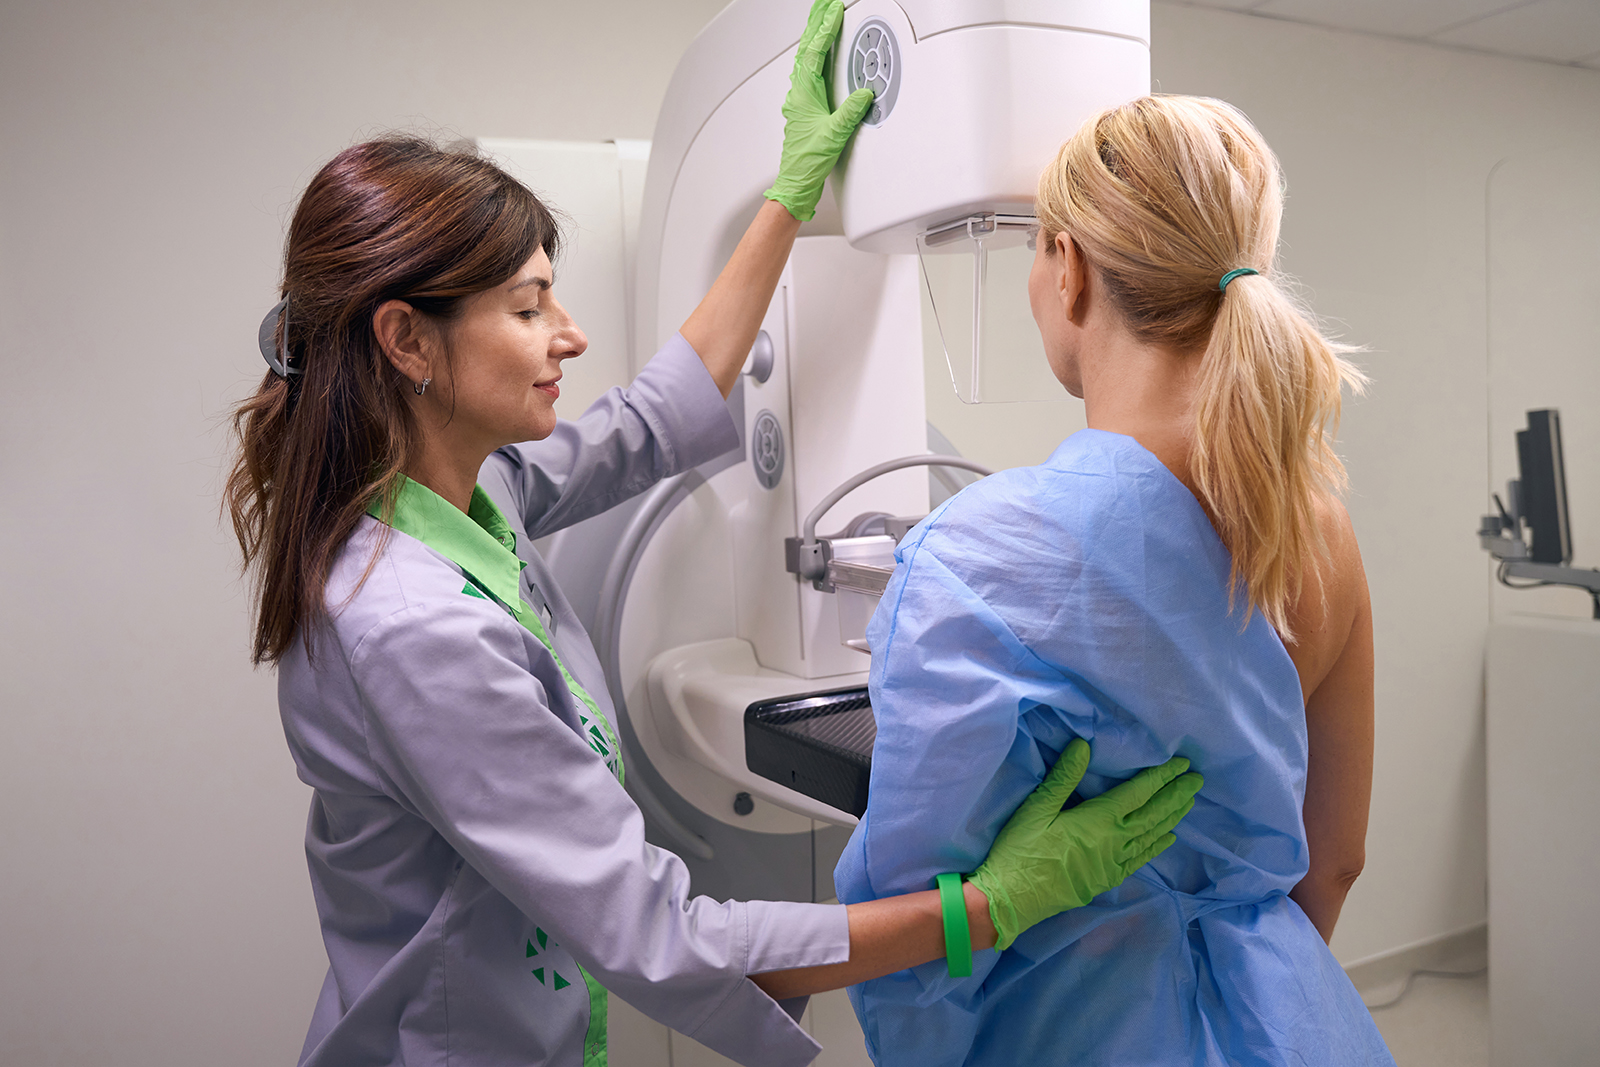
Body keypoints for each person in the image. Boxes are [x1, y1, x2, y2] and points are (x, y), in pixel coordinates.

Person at [224, 5, 1204, 1066]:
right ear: (407, 339)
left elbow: (649, 417)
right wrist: (986, 906)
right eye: (528, 305)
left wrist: (784, 201)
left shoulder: (465, 493)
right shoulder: (412, 627)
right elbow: (665, 936)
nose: (572, 334)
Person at [835, 94, 1392, 1066]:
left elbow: (915, 920)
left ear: (1069, 267)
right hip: (1295, 1024)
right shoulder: (1316, 523)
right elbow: (1334, 859)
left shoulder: (975, 553)